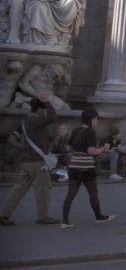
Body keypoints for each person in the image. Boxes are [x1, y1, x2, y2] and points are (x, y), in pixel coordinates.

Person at [0, 94, 59, 226]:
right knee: (43, 188)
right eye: (44, 109)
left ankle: (3, 213)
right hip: (37, 160)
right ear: (40, 109)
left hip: (26, 159)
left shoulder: (25, 120)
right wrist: (48, 103)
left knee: (20, 187)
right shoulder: (36, 119)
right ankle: (44, 216)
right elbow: (53, 117)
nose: (45, 112)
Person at [61, 108, 116, 228]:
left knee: (71, 194)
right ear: (92, 119)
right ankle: (99, 217)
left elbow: (68, 149)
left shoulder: (75, 130)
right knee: (93, 193)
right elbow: (91, 151)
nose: (96, 122)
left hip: (74, 166)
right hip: (86, 167)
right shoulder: (90, 132)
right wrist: (103, 150)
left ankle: (65, 221)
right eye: (96, 119)